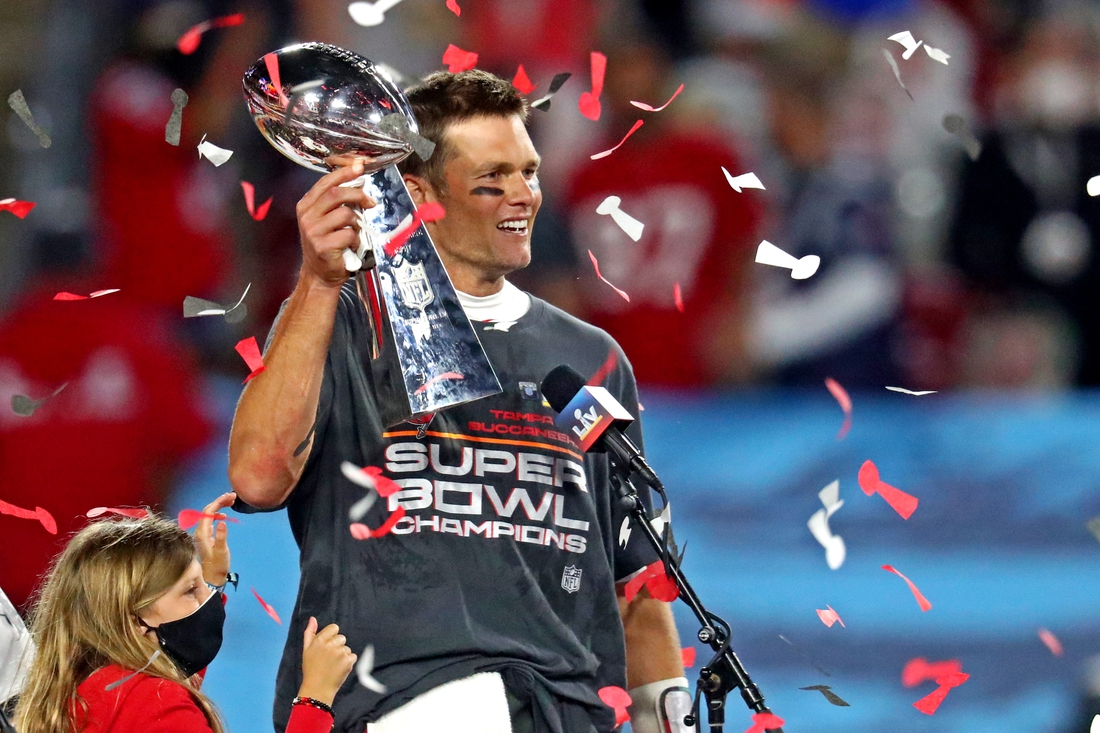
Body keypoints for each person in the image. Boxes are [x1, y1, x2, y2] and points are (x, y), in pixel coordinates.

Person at [228, 70, 689, 732]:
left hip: (567, 714)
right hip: (396, 708)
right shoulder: (344, 323)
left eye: (528, 172)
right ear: (419, 195)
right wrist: (320, 283)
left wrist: (669, 719)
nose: (523, 195)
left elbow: (636, 585)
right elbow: (258, 478)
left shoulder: (588, 359)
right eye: (492, 178)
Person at [13, 493, 357, 733]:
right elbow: (157, 708)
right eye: (191, 591)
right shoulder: (155, 704)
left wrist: (211, 580)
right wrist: (316, 697)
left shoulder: (85, 692)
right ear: (134, 622)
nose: (207, 600)